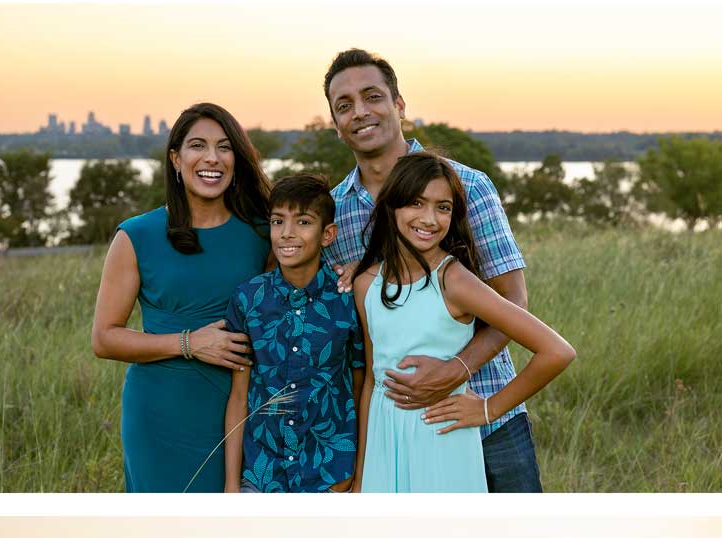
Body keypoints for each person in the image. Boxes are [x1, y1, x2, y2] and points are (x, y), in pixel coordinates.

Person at [321, 47, 542, 492]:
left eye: (372, 97)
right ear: (335, 123)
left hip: (484, 419)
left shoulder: (468, 186)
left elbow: (513, 301)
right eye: (344, 106)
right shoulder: (335, 213)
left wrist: (457, 369)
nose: (360, 112)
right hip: (395, 435)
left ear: (399, 106)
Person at [352, 153, 576, 492]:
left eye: (443, 207)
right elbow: (372, 379)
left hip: (442, 438)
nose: (429, 218)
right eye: (416, 203)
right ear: (392, 205)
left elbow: (557, 352)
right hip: (385, 444)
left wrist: (487, 409)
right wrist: (362, 473)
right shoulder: (366, 283)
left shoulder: (454, 281)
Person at [92, 103, 271, 492]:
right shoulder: (136, 235)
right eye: (197, 146)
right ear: (176, 159)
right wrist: (190, 342)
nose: (212, 158)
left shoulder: (263, 232)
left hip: (242, 412)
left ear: (237, 160)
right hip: (159, 415)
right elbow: (104, 338)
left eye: (224, 147)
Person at [224, 174, 364, 492]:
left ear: (327, 234)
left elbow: (360, 388)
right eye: (278, 221)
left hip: (330, 474)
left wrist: (359, 477)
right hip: (263, 474)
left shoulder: (349, 299)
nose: (287, 233)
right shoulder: (248, 299)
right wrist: (231, 486)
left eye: (303, 222)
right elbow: (238, 396)